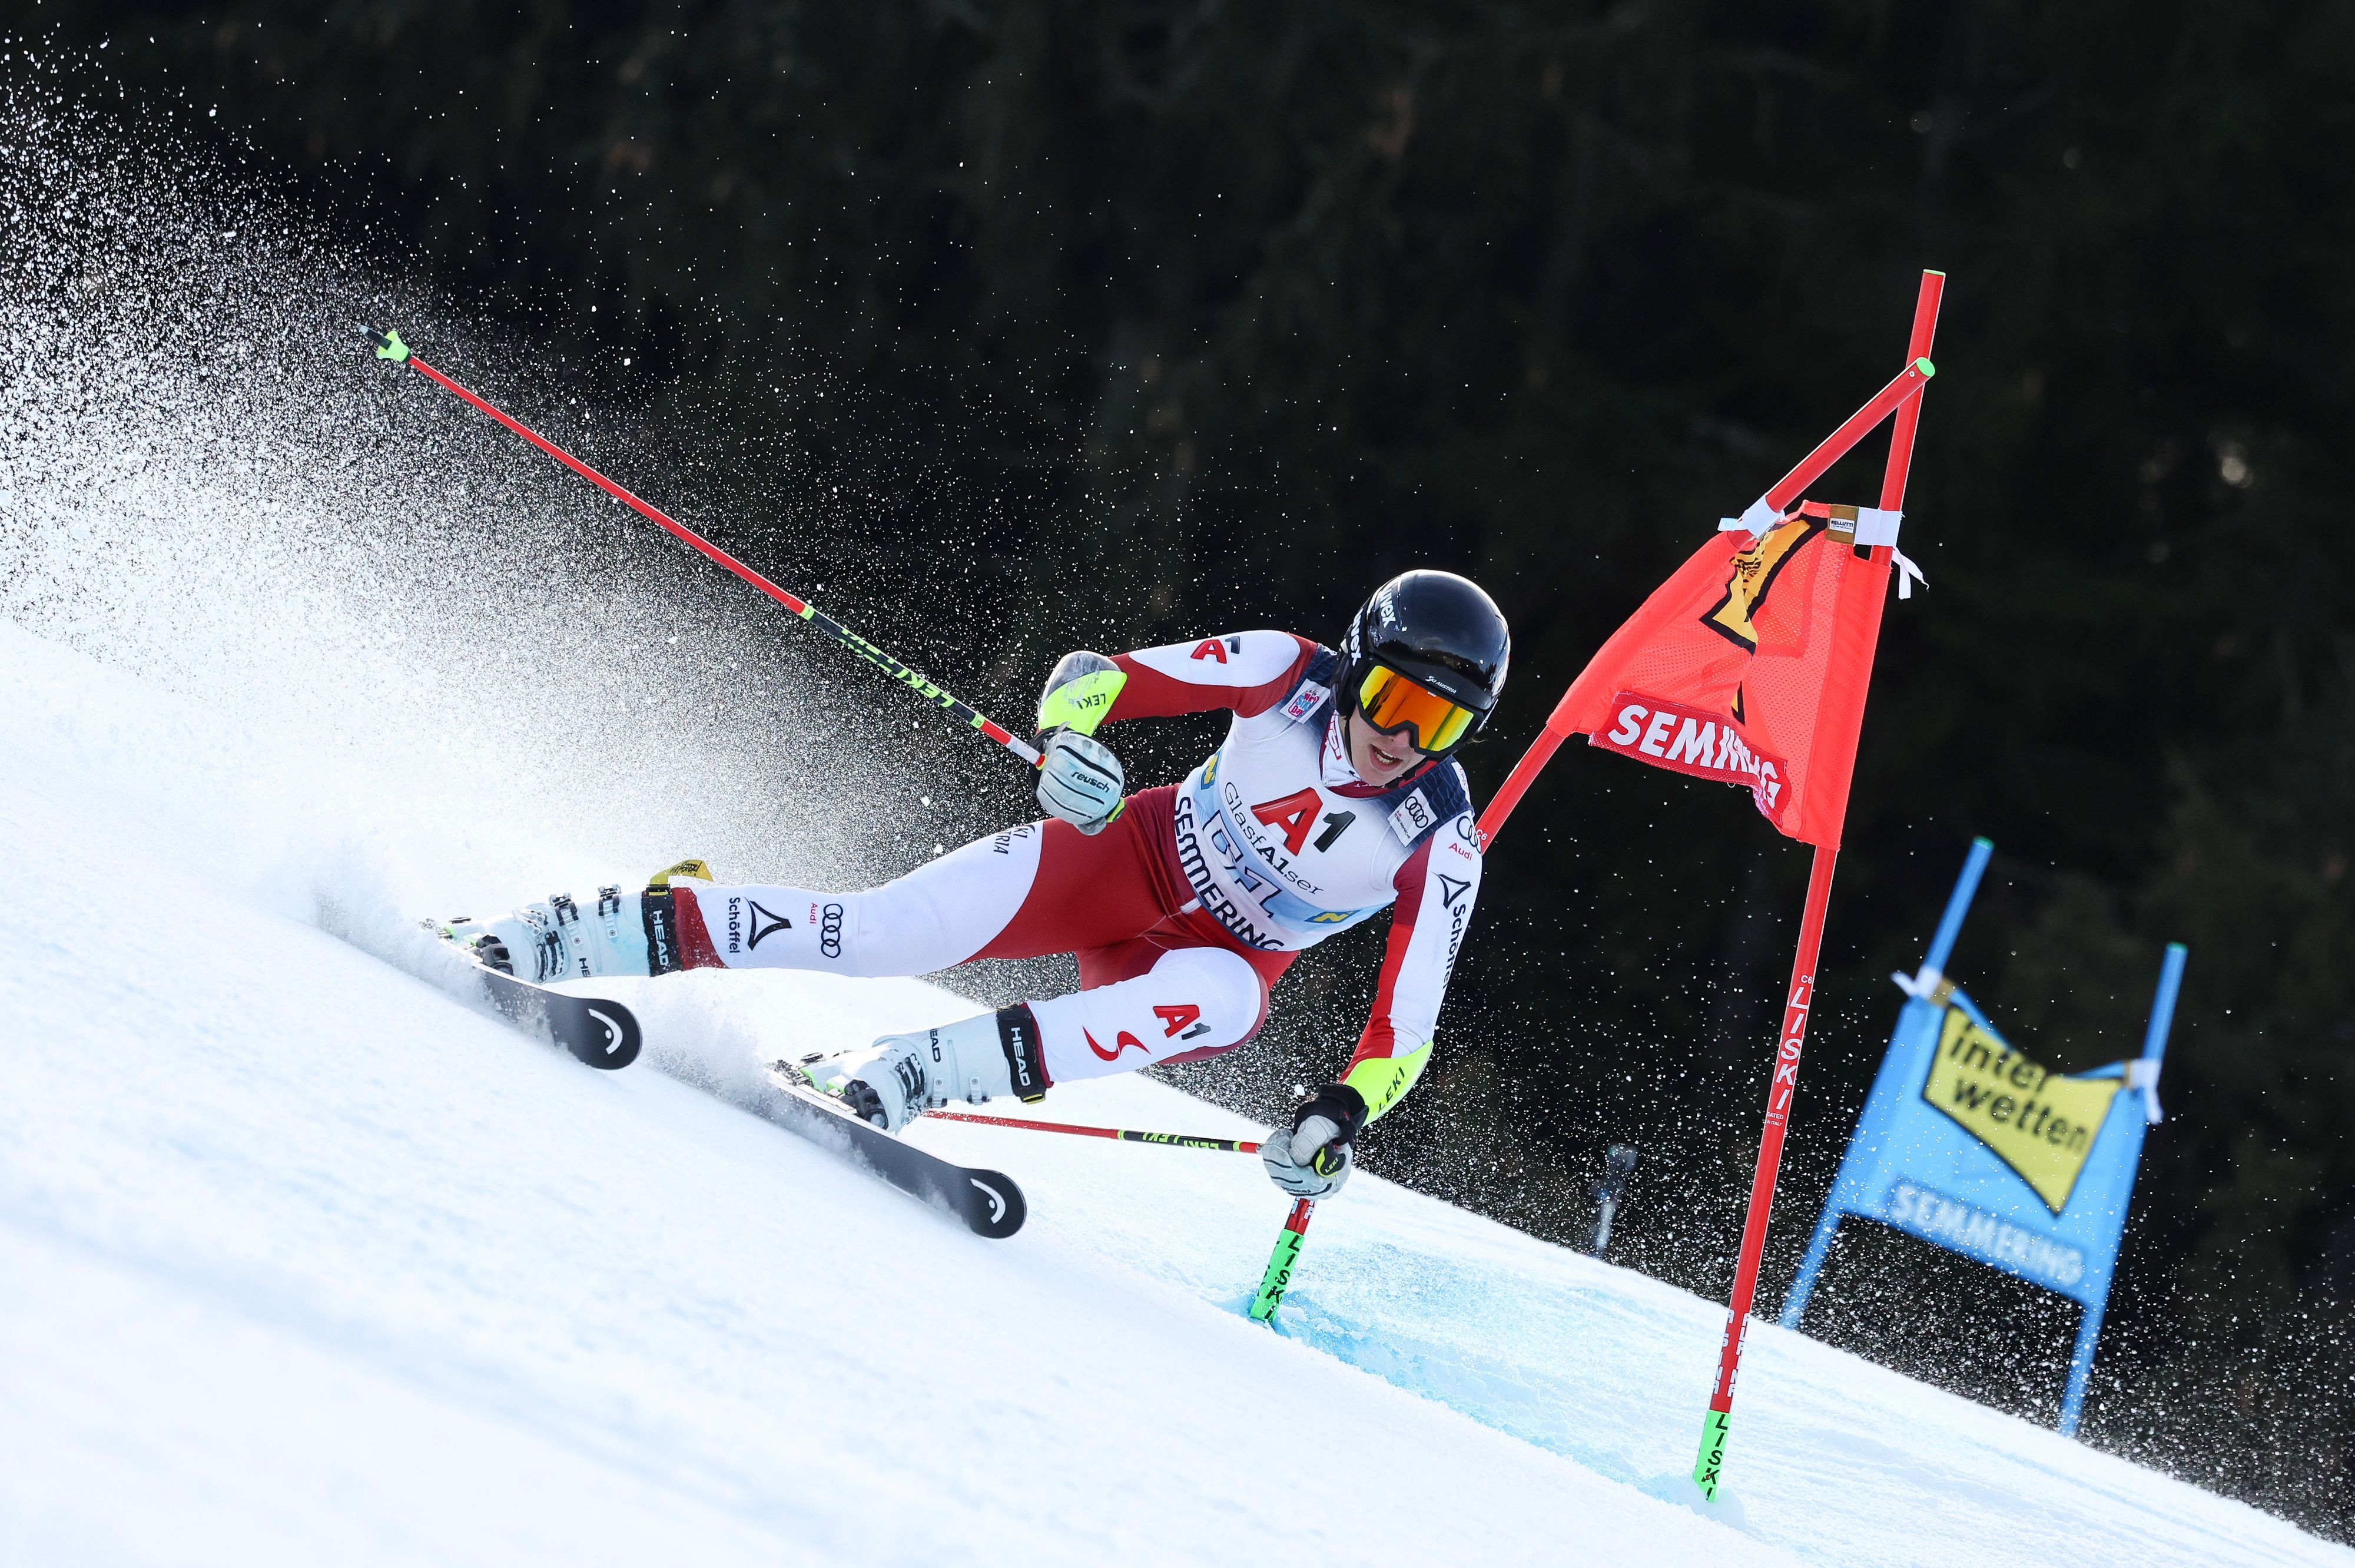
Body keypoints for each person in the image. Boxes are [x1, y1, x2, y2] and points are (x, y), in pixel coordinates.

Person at [439, 570, 1508, 1199]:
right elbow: (1094, 679)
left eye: (1443, 725)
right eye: (1393, 700)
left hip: (1207, 962)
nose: (1402, 741)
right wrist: (1067, 742)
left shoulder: (1441, 840)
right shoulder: (1281, 671)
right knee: (880, 934)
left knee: (1232, 1002)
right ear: (1356, 664)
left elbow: (1405, 1032)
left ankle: (905, 1074)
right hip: (1122, 860)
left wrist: (1338, 1113)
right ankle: (586, 929)